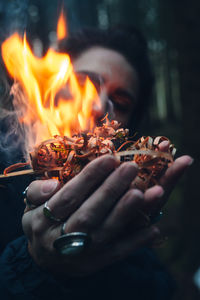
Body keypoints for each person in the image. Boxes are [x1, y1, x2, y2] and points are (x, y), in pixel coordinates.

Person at [0, 26, 193, 299]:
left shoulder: (128, 202)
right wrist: (32, 264)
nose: (100, 106)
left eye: (121, 102)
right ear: (48, 88)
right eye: (84, 84)